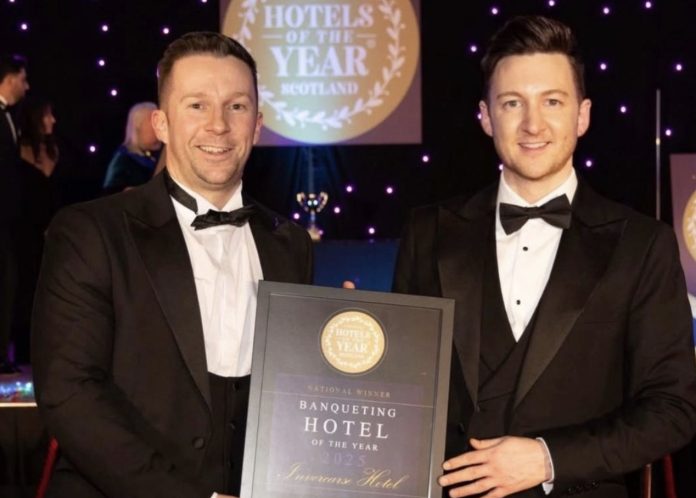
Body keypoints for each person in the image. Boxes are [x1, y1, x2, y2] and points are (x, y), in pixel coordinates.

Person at [393, 15, 696, 498]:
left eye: (552, 101)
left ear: (583, 115)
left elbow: (672, 410)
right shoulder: (427, 232)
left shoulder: (643, 245)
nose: (533, 124)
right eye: (512, 103)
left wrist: (548, 459)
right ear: (486, 116)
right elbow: (404, 385)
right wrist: (364, 337)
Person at [32, 31, 313, 498]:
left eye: (237, 106)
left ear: (258, 125)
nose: (218, 125)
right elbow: (70, 392)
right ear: (161, 124)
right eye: (197, 105)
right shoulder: (91, 231)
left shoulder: (290, 244)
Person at [12, 96, 62, 364]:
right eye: (47, 115)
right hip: (25, 231)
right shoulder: (18, 150)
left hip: (50, 230)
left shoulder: (53, 150)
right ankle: (22, 346)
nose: (53, 120)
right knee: (25, 288)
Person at [0, 53, 29, 374]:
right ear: (9, 80)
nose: (26, 86)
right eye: (23, 79)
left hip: (8, 220)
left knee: (8, 284)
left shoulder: (11, 117)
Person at [101, 101, 162, 194]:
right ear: (138, 127)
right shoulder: (122, 159)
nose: (159, 127)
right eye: (153, 122)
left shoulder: (157, 155)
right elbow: (111, 194)